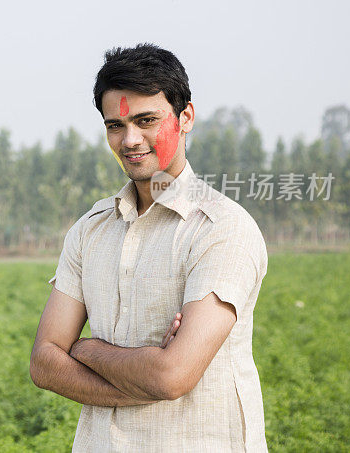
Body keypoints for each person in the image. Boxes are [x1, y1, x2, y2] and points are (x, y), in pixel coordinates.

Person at [29, 44, 268, 451]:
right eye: (115, 125)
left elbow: (171, 377)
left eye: (146, 120)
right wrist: (143, 377)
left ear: (185, 117)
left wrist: (85, 348)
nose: (130, 140)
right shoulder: (90, 230)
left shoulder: (222, 228)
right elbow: (44, 363)